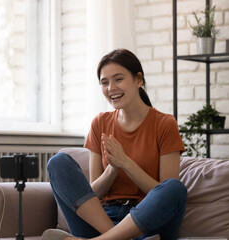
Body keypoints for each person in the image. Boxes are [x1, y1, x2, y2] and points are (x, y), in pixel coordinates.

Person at [46, 49, 187, 240]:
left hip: (145, 223)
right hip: (104, 220)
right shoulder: (100, 123)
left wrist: (126, 164)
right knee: (58, 162)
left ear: (138, 80)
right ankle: (112, 238)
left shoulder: (164, 124)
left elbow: (163, 192)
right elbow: (93, 192)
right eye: (104, 82)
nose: (111, 88)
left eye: (118, 79)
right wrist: (112, 169)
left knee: (174, 188)